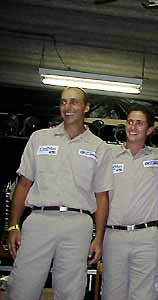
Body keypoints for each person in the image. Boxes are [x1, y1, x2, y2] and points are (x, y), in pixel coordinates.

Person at [6, 87, 113, 300]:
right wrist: (13, 226)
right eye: (64, 102)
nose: (68, 107)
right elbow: (24, 184)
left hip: (78, 224)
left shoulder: (100, 147)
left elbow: (102, 197)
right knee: (22, 287)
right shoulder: (39, 138)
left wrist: (98, 238)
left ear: (86, 108)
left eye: (74, 102)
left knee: (70, 292)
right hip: (39, 220)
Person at [102, 104, 158, 300]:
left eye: (139, 123)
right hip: (113, 235)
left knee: (145, 294)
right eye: (130, 122)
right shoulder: (108, 156)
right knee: (112, 293)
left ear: (149, 130)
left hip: (146, 236)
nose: (133, 127)